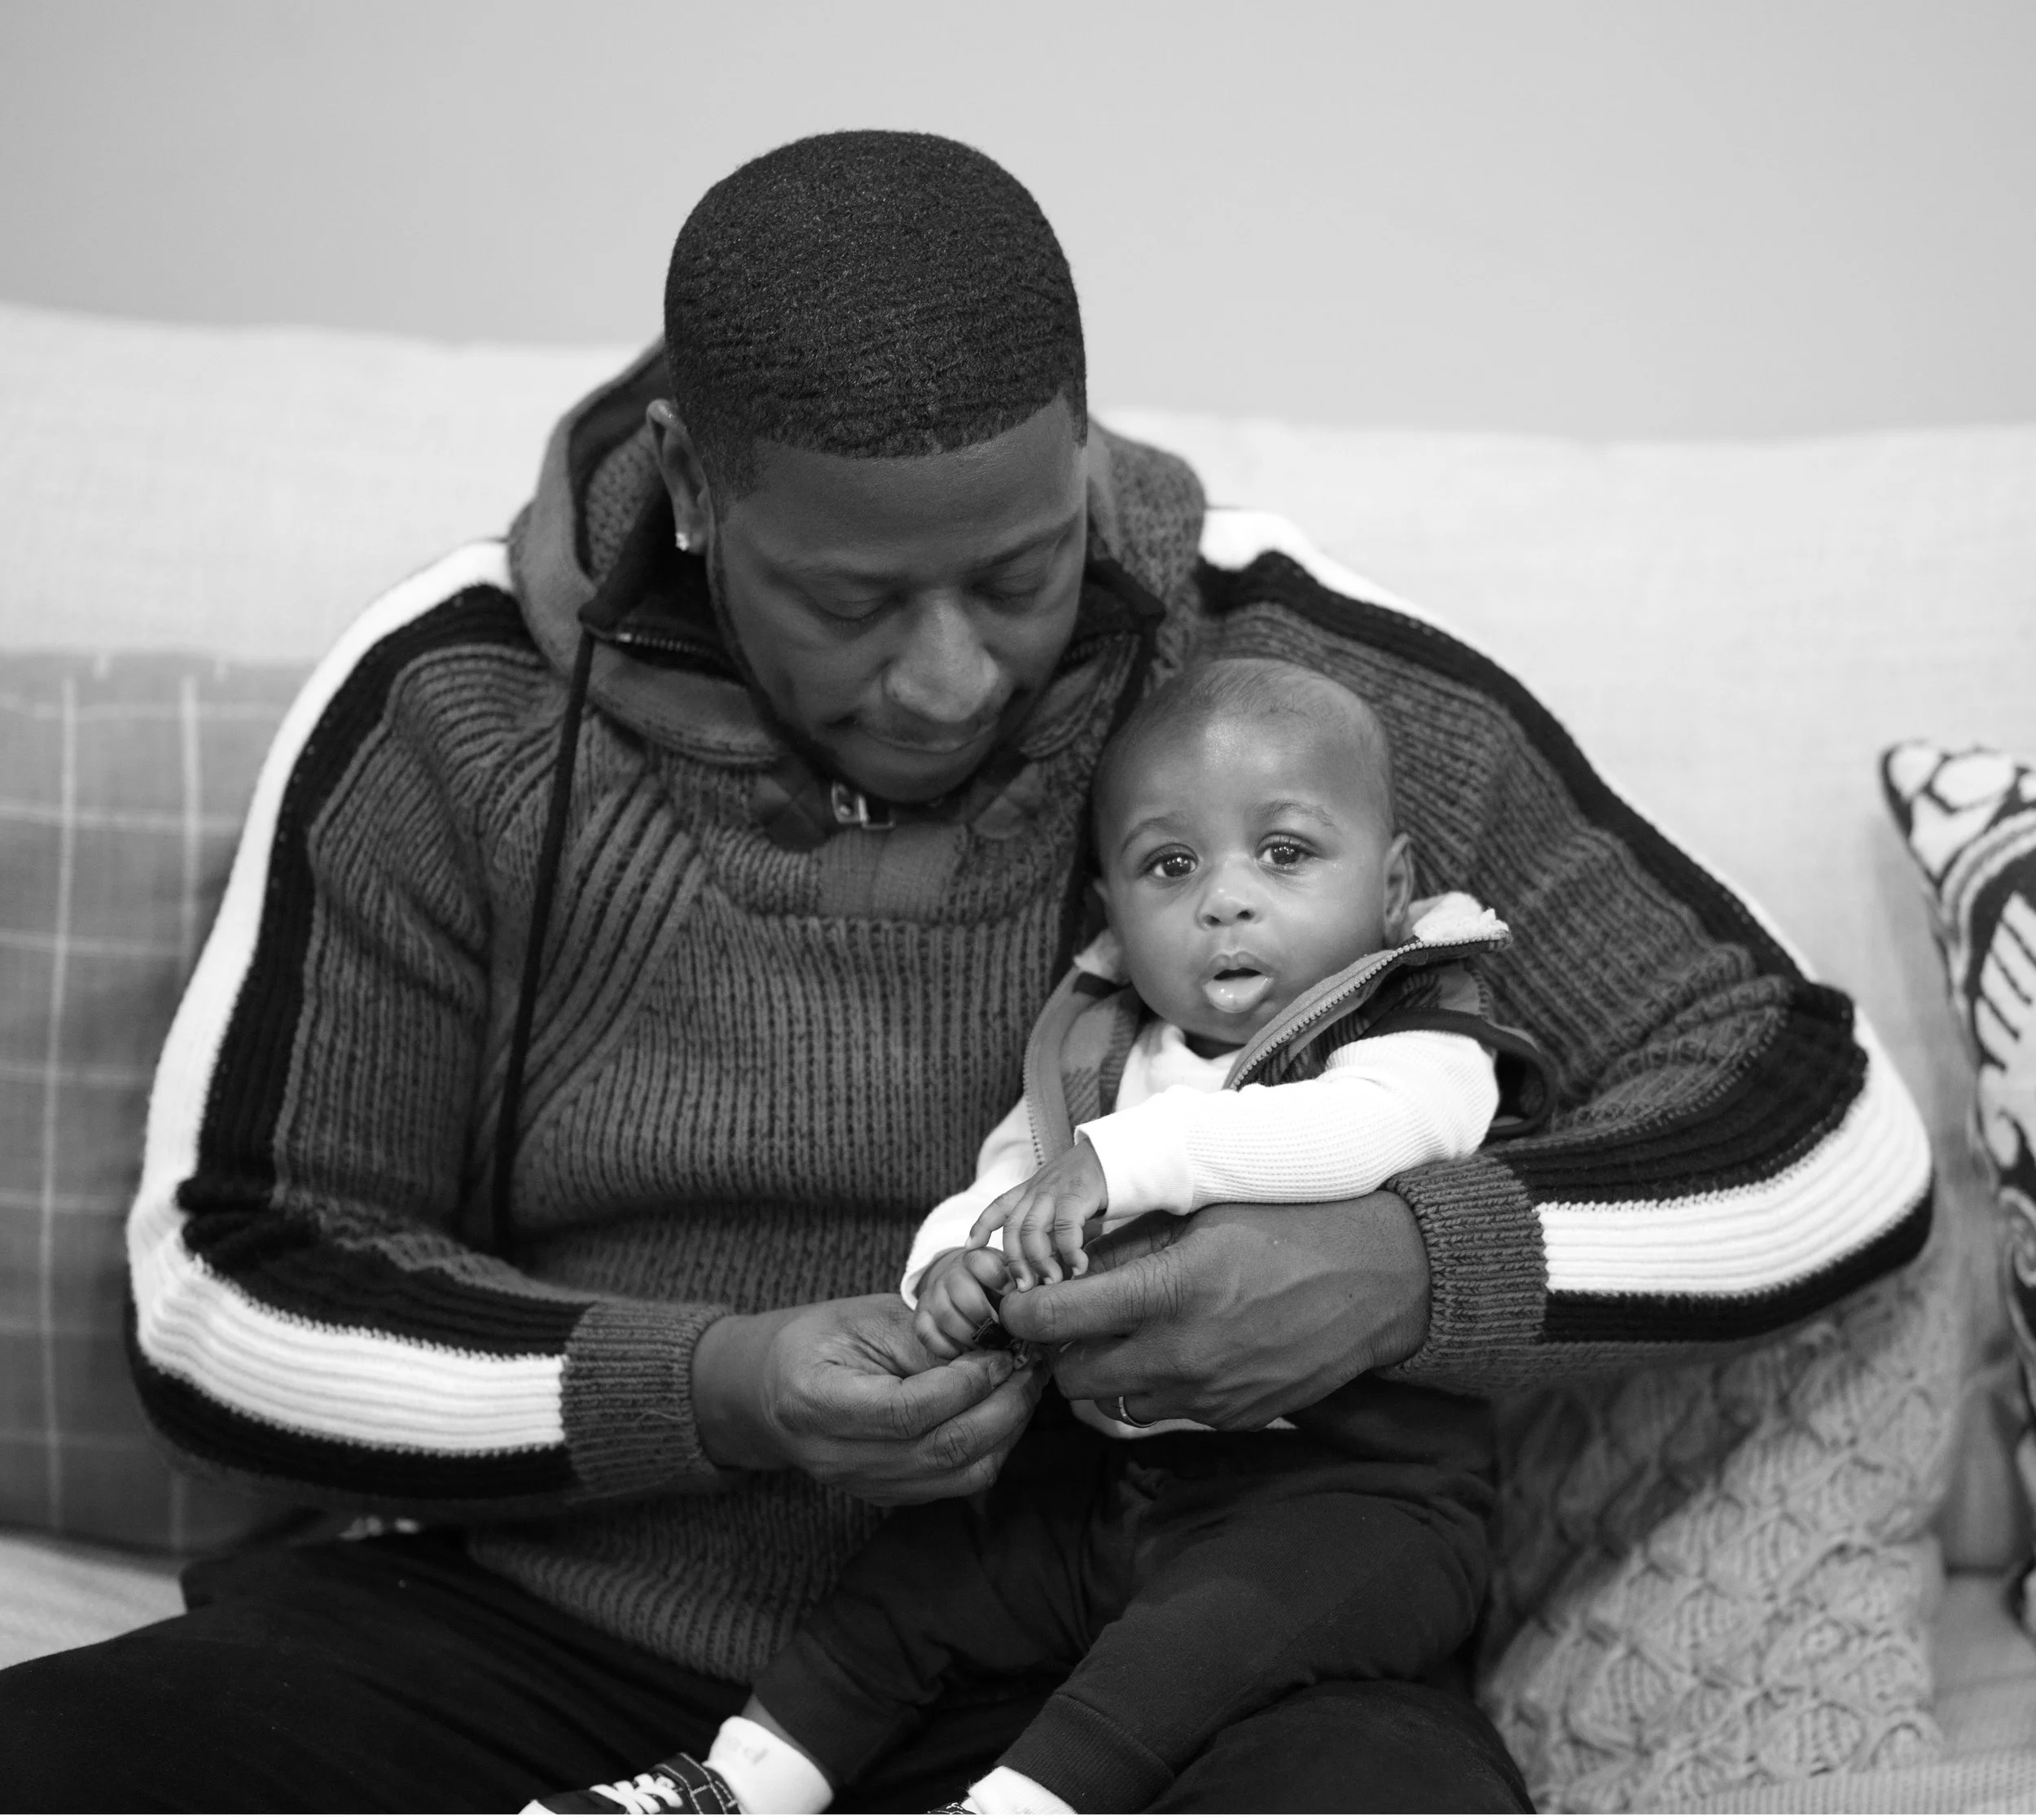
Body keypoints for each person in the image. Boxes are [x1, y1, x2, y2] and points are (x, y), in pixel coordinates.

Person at [0, 130, 1925, 1813]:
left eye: (1012, 575)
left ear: (1079, 453)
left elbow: (1814, 1123)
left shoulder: (1283, 691)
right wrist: (723, 1389)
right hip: (540, 1639)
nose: (948, 675)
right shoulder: (453, 708)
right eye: (849, 601)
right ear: (687, 481)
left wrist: (1405, 1269)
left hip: (1173, 1652)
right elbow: (228, 1287)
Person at [529, 656, 1544, 1816]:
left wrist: (1127, 1161)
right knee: (927, 1571)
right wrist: (951, 1272)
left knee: (1202, 1639)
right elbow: (1007, 1180)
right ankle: (735, 1780)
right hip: (1102, 1484)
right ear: (1113, 909)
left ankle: (1016, 1804)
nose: (1227, 899)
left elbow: (1367, 1133)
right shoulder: (1104, 1047)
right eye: (1173, 865)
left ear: (1393, 882)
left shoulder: (1417, 1022)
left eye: (1286, 852)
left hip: (1353, 1495)